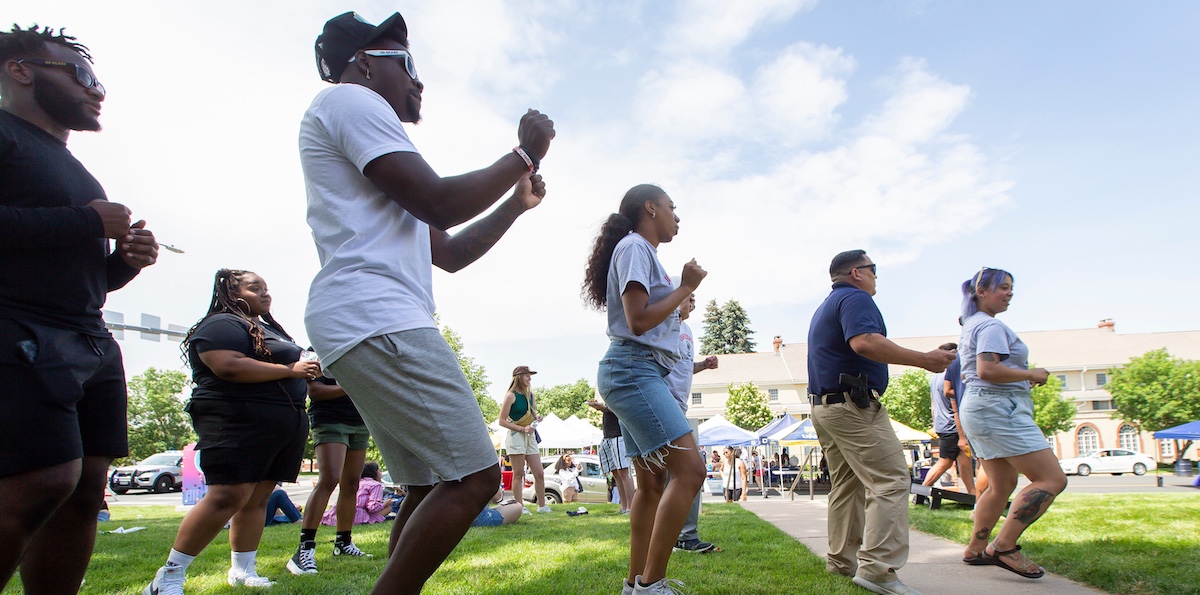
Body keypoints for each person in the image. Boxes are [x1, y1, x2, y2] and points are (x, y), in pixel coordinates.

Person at [300, 12, 554, 594]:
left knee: (424, 485)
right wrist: (523, 154)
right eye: (408, 63)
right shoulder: (349, 100)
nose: (420, 82)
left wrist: (514, 204)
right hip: (377, 315)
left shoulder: (370, 136)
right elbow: (441, 202)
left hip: (362, 319)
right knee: (476, 476)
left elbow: (450, 250)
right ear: (364, 60)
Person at [0, 24, 159, 594]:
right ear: (20, 70)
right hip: (19, 330)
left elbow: (73, 276)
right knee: (40, 481)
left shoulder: (68, 162)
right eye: (83, 75)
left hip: (87, 338)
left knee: (86, 491)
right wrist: (87, 221)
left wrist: (123, 264)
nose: (98, 91)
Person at [144, 270, 318, 594]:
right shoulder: (221, 324)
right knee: (228, 495)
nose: (266, 294)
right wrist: (289, 369)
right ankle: (168, 576)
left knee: (257, 498)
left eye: (267, 288)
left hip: (283, 424)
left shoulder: (266, 329)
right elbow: (228, 365)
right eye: (256, 288)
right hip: (236, 421)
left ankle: (242, 570)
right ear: (232, 293)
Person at [807, 250, 955, 595]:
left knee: (848, 485)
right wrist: (924, 360)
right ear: (857, 272)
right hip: (852, 406)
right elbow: (864, 342)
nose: (877, 276)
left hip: (826, 407)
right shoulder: (856, 298)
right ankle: (877, 570)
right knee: (890, 480)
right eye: (874, 270)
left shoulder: (829, 304)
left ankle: (843, 561)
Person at [583, 183, 707, 594]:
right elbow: (638, 321)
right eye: (673, 207)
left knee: (652, 485)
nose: (677, 215)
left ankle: (635, 584)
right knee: (690, 471)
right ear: (650, 209)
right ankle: (651, 586)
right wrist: (685, 287)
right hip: (633, 370)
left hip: (632, 371)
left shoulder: (639, 250)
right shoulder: (636, 247)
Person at [957, 268, 1067, 579]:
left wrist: (1018, 378)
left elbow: (985, 372)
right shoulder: (990, 326)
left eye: (1011, 289)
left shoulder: (974, 323)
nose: (1009, 294)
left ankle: (975, 549)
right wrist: (1032, 374)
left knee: (1001, 485)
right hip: (998, 410)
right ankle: (1003, 546)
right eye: (1003, 288)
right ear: (982, 291)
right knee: (1051, 479)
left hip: (982, 409)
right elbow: (988, 370)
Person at [288, 373, 373, 575]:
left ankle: (343, 542)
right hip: (330, 420)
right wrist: (352, 387)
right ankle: (305, 548)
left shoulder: (359, 351)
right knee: (329, 479)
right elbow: (315, 391)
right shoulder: (319, 349)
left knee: (352, 483)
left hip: (359, 422)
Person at [664, 292, 721, 554]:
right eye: (689, 295)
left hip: (679, 407)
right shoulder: (663, 323)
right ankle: (684, 536)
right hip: (664, 405)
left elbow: (683, 366)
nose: (694, 300)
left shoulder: (687, 329)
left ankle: (673, 535)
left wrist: (703, 365)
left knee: (673, 474)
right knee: (691, 470)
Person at [921, 343, 977, 495]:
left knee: (964, 460)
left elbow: (933, 404)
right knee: (945, 462)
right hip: (952, 425)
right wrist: (962, 435)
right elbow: (955, 406)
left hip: (941, 424)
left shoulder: (935, 377)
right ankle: (921, 491)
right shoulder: (949, 377)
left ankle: (972, 495)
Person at [497, 366, 549, 512]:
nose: (530, 378)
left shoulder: (530, 395)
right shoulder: (510, 396)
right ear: (519, 377)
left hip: (530, 435)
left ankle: (542, 506)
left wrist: (536, 418)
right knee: (518, 473)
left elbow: (531, 414)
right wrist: (521, 428)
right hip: (516, 436)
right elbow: (502, 420)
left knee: (539, 472)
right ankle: (520, 507)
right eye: (527, 375)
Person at [588, 400, 635, 514]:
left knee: (624, 472)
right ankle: (624, 507)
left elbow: (622, 410)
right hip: (608, 436)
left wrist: (604, 408)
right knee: (615, 473)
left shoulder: (620, 393)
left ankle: (631, 507)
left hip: (619, 435)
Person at [321, 461, 390, 527]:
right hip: (356, 516)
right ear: (375, 473)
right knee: (388, 508)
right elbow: (373, 507)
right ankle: (369, 521)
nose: (381, 474)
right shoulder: (376, 485)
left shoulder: (356, 482)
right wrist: (385, 504)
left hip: (337, 513)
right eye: (379, 471)